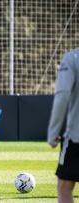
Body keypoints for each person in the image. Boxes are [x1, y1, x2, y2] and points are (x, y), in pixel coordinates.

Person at [48, 48, 79, 203]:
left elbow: (62, 96)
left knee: (65, 186)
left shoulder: (73, 58)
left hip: (76, 136)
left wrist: (52, 132)